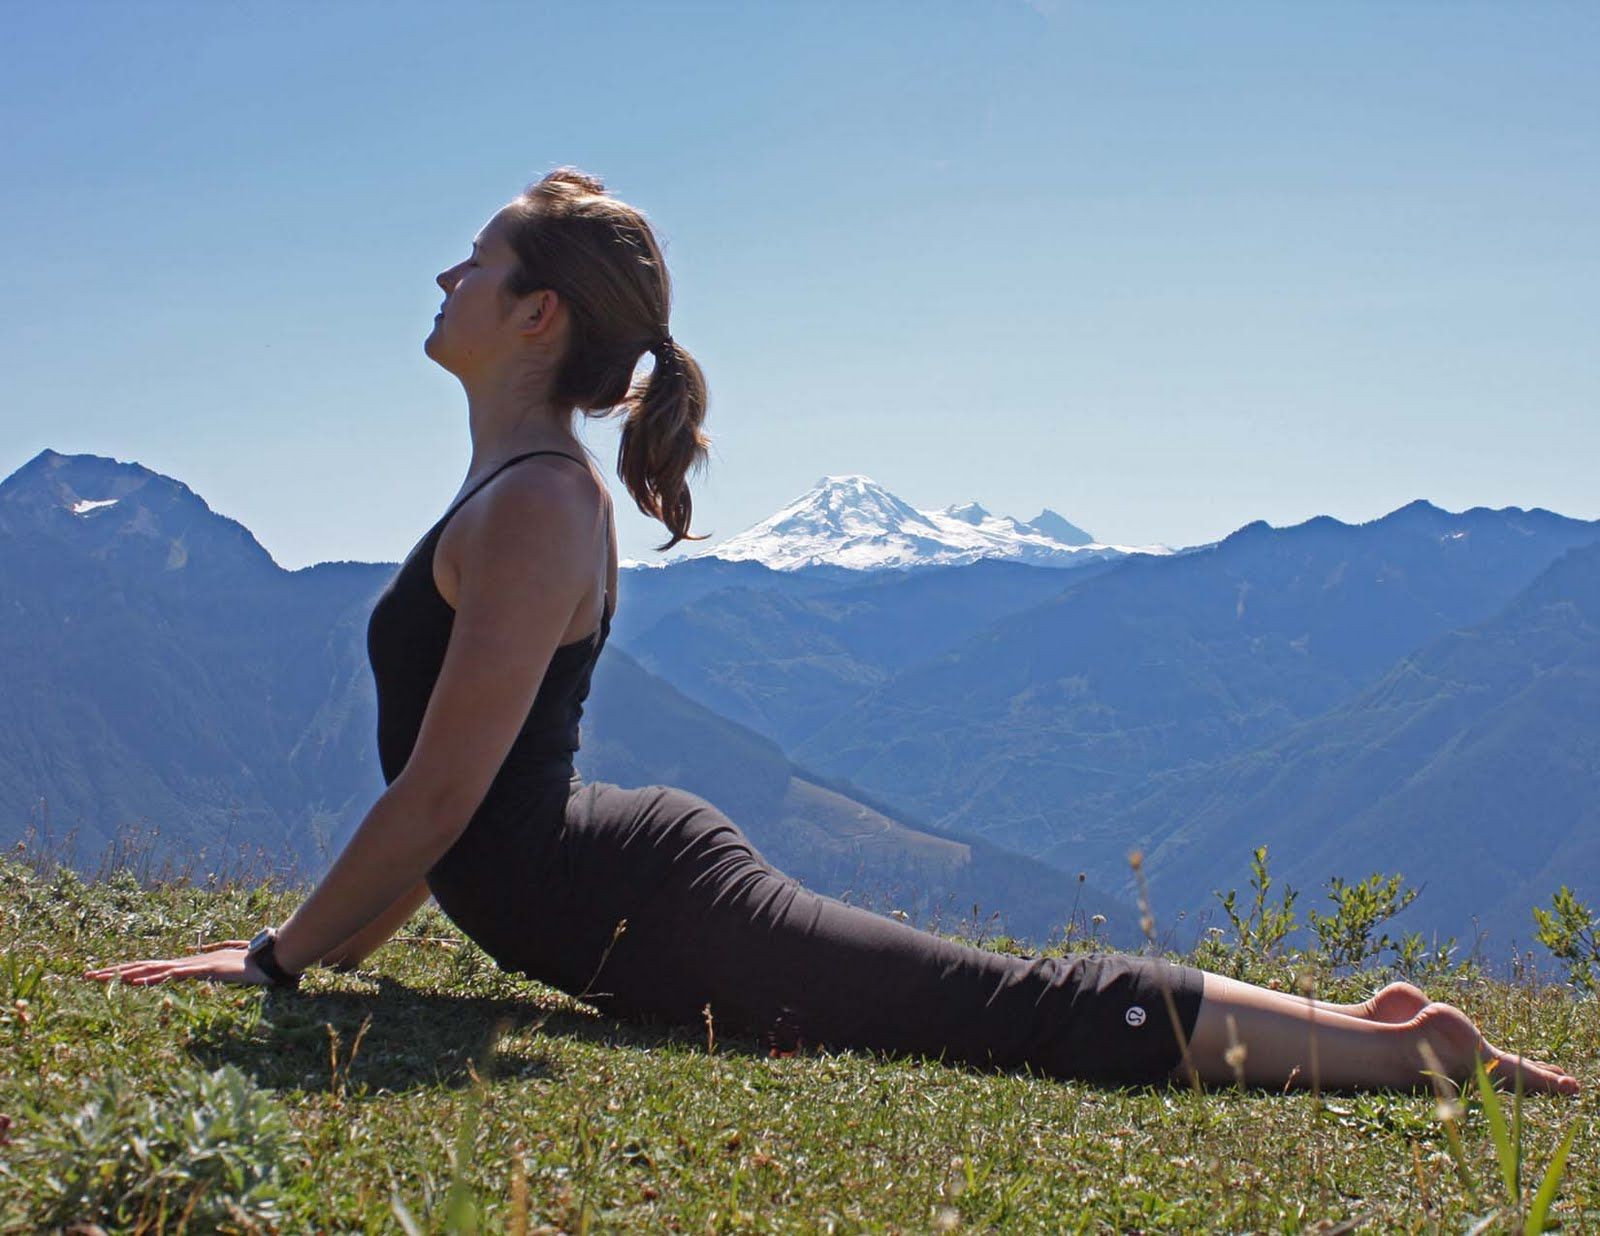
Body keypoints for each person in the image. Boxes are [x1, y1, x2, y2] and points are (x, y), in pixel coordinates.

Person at [86, 168, 1580, 1098]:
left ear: (537, 316)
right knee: (982, 1003)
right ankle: (1370, 1020)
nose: (445, 278)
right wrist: (320, 955)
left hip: (650, 910)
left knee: (990, 1015)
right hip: (611, 889)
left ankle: (1406, 1054)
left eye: (472, 261)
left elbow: (438, 801)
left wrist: (281, 965)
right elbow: (443, 805)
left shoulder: (537, 509)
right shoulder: (514, 488)